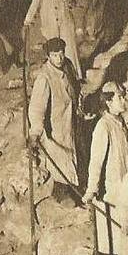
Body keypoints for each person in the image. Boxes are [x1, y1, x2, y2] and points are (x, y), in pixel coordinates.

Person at [82, 81, 128, 255]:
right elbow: (95, 162)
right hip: (110, 186)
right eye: (120, 97)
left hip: (123, 182)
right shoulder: (103, 126)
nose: (124, 100)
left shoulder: (120, 122)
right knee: (107, 230)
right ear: (109, 101)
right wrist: (92, 189)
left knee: (116, 227)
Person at [27, 37, 84, 206]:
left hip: (72, 119)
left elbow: (75, 87)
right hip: (57, 126)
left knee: (76, 155)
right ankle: (61, 194)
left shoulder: (67, 65)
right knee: (62, 159)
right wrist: (36, 131)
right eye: (54, 55)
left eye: (61, 54)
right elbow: (37, 108)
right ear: (48, 56)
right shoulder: (44, 78)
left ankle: (76, 189)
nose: (59, 58)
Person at [22, 0, 82, 74]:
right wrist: (27, 20)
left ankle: (75, 74)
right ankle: (58, 75)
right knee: (55, 51)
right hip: (50, 25)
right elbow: (33, 7)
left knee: (70, 49)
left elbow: (72, 1)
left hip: (65, 22)